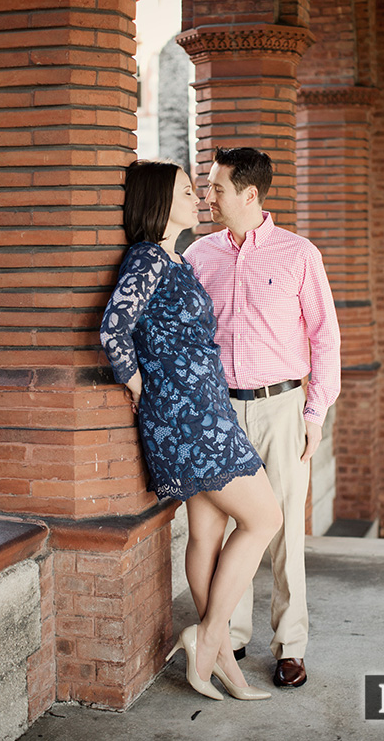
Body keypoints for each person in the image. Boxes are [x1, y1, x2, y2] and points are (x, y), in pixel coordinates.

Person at [100, 159, 284, 701]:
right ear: (160, 202)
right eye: (187, 189)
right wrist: (139, 386)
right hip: (190, 419)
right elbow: (114, 328)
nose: (198, 196)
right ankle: (207, 638)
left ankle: (221, 659)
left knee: (207, 533)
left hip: (203, 412)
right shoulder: (148, 259)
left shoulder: (171, 259)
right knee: (265, 517)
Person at [184, 146, 341, 688]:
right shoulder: (198, 256)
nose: (208, 196)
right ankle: (227, 634)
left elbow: (325, 338)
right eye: (206, 187)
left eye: (217, 187)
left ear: (250, 194)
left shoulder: (300, 255)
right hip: (217, 409)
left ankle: (289, 644)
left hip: (283, 407)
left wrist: (315, 414)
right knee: (226, 525)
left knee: (283, 530)